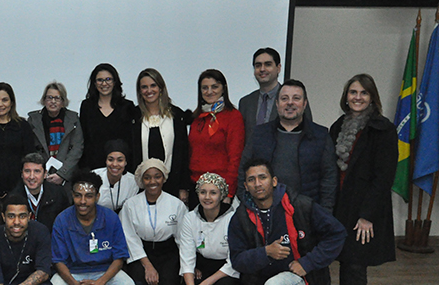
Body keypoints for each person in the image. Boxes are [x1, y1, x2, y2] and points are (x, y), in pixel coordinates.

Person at [318, 74, 397, 285]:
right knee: (341, 261)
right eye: (353, 92)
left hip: (364, 211)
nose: (357, 97)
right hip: (340, 207)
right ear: (346, 96)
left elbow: (384, 176)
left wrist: (367, 215)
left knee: (354, 266)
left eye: (364, 93)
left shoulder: (382, 129)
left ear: (372, 97)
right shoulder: (338, 125)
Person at [51, 171, 136, 285]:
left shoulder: (110, 218)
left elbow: (119, 258)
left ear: (97, 196)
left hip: (103, 271)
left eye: (89, 196)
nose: (83, 201)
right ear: (72, 195)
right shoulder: (62, 219)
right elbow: (58, 260)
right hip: (73, 272)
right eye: (78, 195)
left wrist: (98, 284)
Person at [238, 79, 337, 214]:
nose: (290, 102)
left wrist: (325, 213)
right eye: (284, 98)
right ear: (277, 104)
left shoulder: (321, 135)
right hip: (264, 212)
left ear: (304, 104)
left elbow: (329, 178)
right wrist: (249, 205)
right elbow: (244, 169)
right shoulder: (259, 133)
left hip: (307, 213)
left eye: (296, 98)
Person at [119, 159, 187, 285]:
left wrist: (188, 263)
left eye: (157, 176)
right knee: (139, 282)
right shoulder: (131, 204)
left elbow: (182, 237)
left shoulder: (176, 204)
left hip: (167, 251)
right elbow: (130, 237)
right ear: (141, 180)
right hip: (141, 250)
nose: (152, 181)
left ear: (163, 178)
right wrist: (147, 265)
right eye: (147, 177)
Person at [177, 172, 241, 285]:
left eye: (213, 193)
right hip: (203, 265)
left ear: (222, 195)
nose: (207, 197)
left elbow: (235, 260)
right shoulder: (190, 218)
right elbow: (187, 257)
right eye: (203, 192)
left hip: (226, 270)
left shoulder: (233, 218)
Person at [130, 68, 191, 201]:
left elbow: (184, 154)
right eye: (144, 87)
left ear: (161, 88)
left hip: (172, 186)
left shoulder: (176, 116)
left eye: (153, 85)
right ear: (140, 91)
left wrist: (183, 187)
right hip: (141, 189)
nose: (149, 90)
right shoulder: (132, 117)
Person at [189, 69, 245, 206]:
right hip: (196, 187)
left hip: (220, 190)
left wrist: (228, 192)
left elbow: (235, 157)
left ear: (223, 89)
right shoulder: (197, 118)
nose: (209, 91)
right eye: (205, 88)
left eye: (214, 87)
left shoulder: (233, 116)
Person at [239, 48, 313, 145]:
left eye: (268, 64)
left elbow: (309, 133)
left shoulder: (295, 100)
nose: (262, 69)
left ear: (278, 68)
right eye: (258, 65)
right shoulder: (246, 102)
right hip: (253, 159)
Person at [78, 63, 139, 170]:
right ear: (94, 83)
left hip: (120, 169)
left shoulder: (127, 106)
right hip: (93, 167)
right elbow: (84, 139)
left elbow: (131, 141)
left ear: (115, 82)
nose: (104, 83)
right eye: (100, 80)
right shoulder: (87, 106)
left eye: (108, 79)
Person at [28, 81, 84, 186]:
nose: (53, 101)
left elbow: (77, 149)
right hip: (40, 176)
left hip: (67, 175)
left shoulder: (73, 119)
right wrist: (41, 172)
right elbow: (30, 149)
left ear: (63, 102)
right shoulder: (33, 120)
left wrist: (62, 174)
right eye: (49, 98)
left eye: (57, 98)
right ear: (44, 100)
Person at [11, 152, 70, 231]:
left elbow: (67, 225)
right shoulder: (13, 198)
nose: (32, 176)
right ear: (22, 174)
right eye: (27, 171)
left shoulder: (58, 194)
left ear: (45, 174)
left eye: (37, 171)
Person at [92, 139, 139, 214]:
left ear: (126, 162)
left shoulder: (133, 182)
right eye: (110, 160)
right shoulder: (93, 176)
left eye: (120, 160)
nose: (115, 164)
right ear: (106, 161)